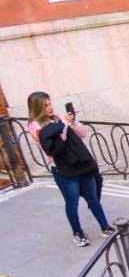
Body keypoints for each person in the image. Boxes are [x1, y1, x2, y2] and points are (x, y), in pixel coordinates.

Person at [26, 91, 110, 247]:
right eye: (46, 105)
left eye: (50, 103)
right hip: (62, 169)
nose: (50, 107)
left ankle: (105, 227)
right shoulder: (35, 125)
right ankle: (77, 232)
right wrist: (64, 124)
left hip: (81, 163)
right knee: (72, 202)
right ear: (37, 107)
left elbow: (83, 133)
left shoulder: (57, 118)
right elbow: (57, 145)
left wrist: (73, 122)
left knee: (92, 197)